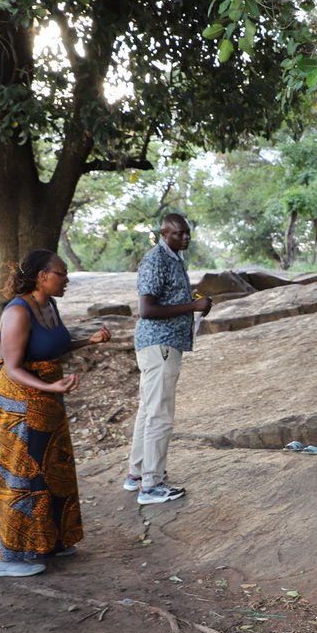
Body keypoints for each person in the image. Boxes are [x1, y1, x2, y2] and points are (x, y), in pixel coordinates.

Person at [0, 250, 111, 577]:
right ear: (42, 276)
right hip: (20, 401)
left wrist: (90, 340)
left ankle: (51, 542)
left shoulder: (49, 305)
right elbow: (12, 368)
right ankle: (8, 558)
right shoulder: (17, 313)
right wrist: (49, 388)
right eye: (61, 273)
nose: (66, 279)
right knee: (23, 472)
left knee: (52, 468)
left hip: (48, 395)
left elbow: (54, 346)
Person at [125, 213, 213, 505]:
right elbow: (147, 309)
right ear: (164, 233)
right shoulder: (156, 260)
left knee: (149, 410)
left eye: (187, 232)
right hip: (158, 345)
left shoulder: (174, 258)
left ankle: (137, 474)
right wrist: (192, 305)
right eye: (178, 233)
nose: (185, 238)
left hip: (163, 345)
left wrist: (192, 304)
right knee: (159, 414)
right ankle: (151, 484)